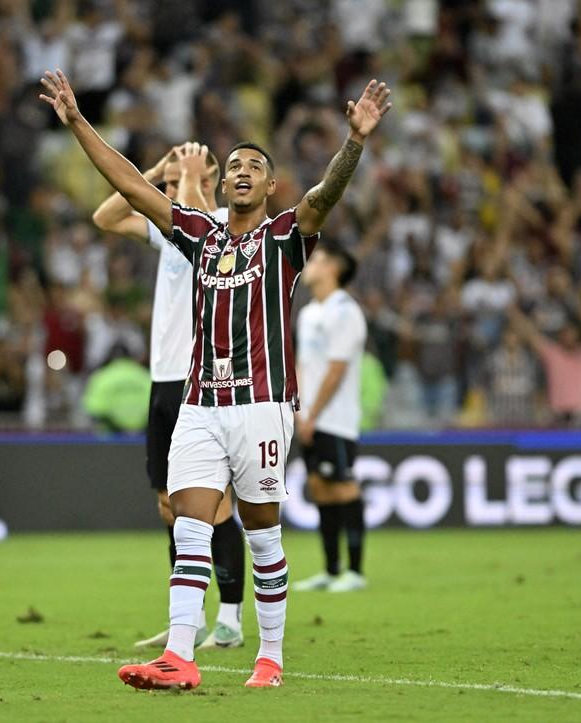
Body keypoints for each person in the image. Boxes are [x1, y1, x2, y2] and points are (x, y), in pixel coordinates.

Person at [40, 68, 392, 690]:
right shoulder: (198, 237)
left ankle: (271, 657)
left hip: (261, 406)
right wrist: (75, 122)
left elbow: (327, 193)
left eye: (254, 165)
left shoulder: (285, 238)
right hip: (199, 405)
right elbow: (125, 182)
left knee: (262, 533)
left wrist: (355, 143)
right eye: (233, 166)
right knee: (189, 520)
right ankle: (179, 656)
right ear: (223, 183)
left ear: (270, 183)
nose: (242, 171)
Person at [92, 144, 247, 651]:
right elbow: (106, 216)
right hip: (162, 377)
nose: (179, 170)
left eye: (193, 162)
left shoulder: (222, 223)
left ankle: (230, 618)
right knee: (169, 504)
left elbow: (196, 220)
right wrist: (156, 171)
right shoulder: (167, 226)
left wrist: (189, 178)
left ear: (214, 177)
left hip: (201, 376)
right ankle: (189, 617)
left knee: (214, 504)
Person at [292, 241, 368, 593]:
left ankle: (355, 571)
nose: (311, 264)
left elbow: (336, 371)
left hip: (335, 418)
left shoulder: (345, 312)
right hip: (308, 417)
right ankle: (330, 568)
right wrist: (298, 410)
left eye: (319, 259)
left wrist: (314, 414)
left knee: (343, 485)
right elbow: (301, 366)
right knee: (320, 487)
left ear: (334, 269)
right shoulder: (309, 313)